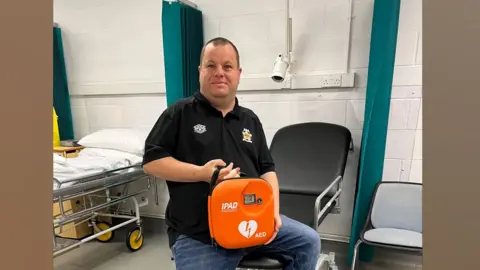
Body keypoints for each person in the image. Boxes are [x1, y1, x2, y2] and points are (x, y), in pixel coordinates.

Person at [142, 37, 321, 270]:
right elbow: (151, 162)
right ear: (200, 71)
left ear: (238, 73)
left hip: (252, 221)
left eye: (227, 66)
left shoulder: (250, 120)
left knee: (308, 241)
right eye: (211, 65)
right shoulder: (180, 113)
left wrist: (272, 212)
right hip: (201, 235)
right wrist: (202, 174)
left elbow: (267, 169)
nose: (219, 72)